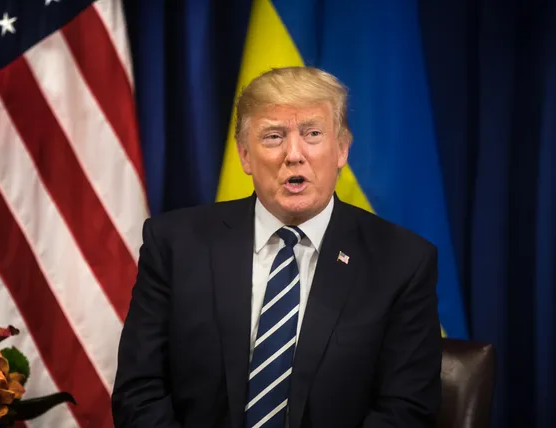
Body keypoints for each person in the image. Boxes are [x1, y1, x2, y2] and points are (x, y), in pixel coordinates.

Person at [111, 66, 442, 428]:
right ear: (245, 155)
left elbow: (406, 409)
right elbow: (139, 392)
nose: (294, 154)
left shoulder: (402, 262)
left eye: (312, 133)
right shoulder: (175, 245)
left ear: (342, 149)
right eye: (273, 136)